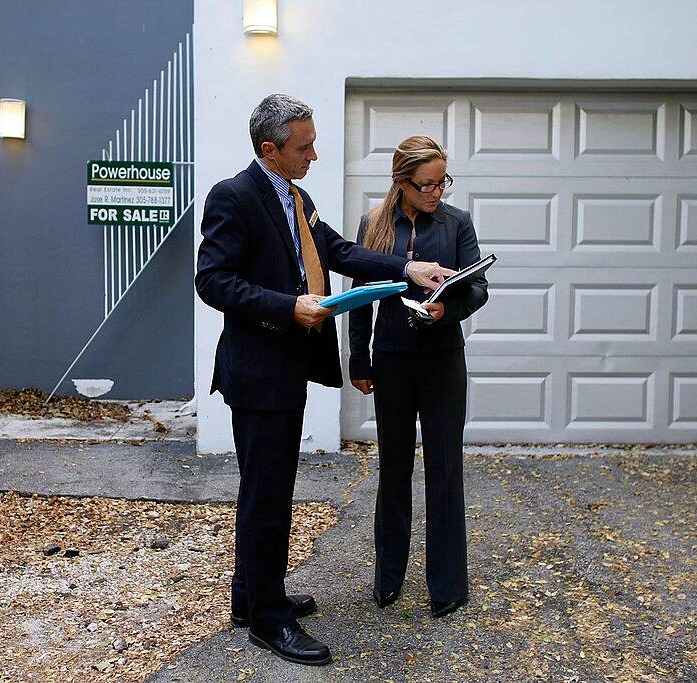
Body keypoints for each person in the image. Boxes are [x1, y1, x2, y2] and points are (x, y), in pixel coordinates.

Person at [195, 95, 450, 666]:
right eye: (304, 147)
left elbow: (335, 250)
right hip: (258, 373)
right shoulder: (233, 197)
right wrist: (289, 308)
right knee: (268, 496)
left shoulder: (297, 196)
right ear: (271, 149)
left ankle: (252, 596)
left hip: (285, 370)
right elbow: (212, 281)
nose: (314, 154)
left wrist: (404, 269)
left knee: (269, 490)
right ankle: (266, 619)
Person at [348, 135, 488, 619]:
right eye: (426, 184)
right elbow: (361, 292)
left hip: (442, 360)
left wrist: (446, 308)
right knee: (394, 470)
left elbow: (477, 290)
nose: (436, 192)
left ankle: (447, 584)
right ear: (401, 182)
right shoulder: (374, 224)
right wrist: (358, 358)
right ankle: (388, 577)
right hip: (391, 359)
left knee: (445, 470)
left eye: (442, 182)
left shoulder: (457, 224)